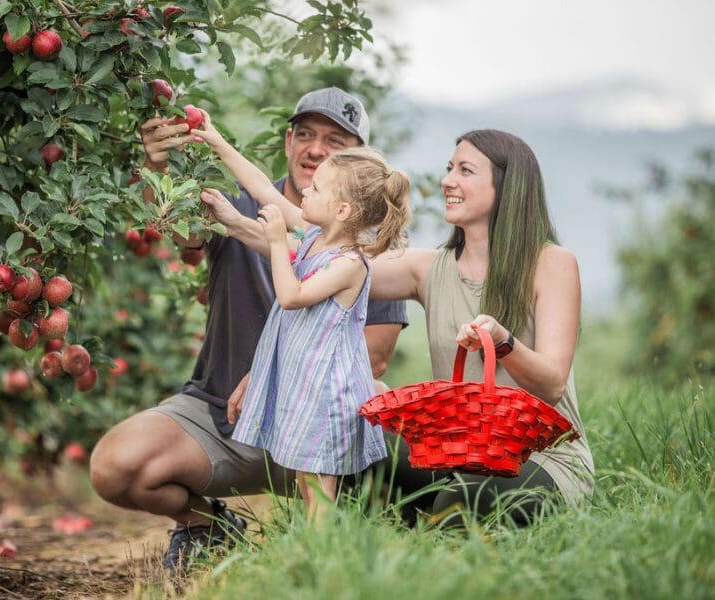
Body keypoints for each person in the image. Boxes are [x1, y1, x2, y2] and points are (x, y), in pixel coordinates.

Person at [89, 88, 409, 571]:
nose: (316, 151)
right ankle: (208, 527)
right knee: (116, 464)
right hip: (227, 419)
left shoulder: (358, 255)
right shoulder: (306, 225)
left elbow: (306, 304)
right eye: (305, 135)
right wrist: (198, 152)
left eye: (335, 143)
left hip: (313, 409)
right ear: (287, 141)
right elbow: (208, 220)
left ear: (352, 183)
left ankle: (335, 549)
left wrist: (265, 374)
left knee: (369, 415)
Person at [364, 129, 594, 526]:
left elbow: (553, 384)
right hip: (456, 456)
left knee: (460, 503)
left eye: (465, 170)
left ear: (505, 186)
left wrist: (505, 341)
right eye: (449, 168)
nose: (447, 180)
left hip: (543, 461)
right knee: (360, 445)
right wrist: (251, 221)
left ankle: (432, 526)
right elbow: (336, 261)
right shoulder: (428, 268)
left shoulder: (552, 263)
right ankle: (390, 533)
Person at [190, 115, 411, 520]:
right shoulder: (315, 233)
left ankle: (320, 556)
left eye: (318, 188)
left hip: (326, 395)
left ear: (342, 209)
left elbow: (291, 297)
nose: (305, 188)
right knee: (308, 482)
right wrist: (217, 142)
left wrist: (276, 241)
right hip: (305, 386)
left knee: (317, 488)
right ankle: (315, 552)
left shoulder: (349, 263)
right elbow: (259, 188)